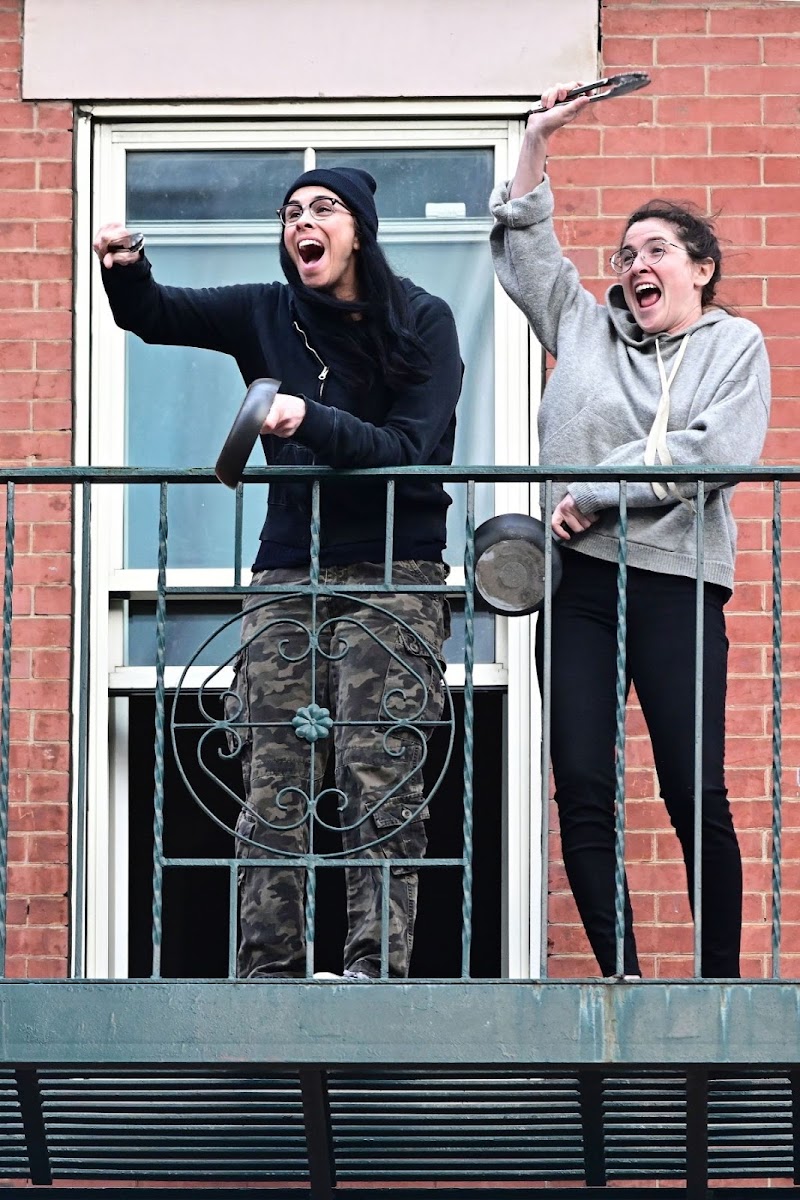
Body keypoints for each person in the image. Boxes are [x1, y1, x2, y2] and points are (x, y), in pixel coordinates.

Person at [94, 166, 462, 980]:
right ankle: (269, 970)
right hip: (288, 568)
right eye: (291, 211)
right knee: (274, 770)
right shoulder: (268, 309)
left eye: (324, 209)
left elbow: (408, 447)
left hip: (394, 564)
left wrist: (308, 418)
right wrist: (126, 268)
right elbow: (157, 317)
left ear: (358, 229)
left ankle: (376, 969)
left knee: (379, 764)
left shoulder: (423, 322)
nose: (305, 221)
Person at [490, 84, 771, 978]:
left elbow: (713, 453)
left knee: (696, 791)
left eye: (656, 250)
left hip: (676, 580)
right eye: (624, 254)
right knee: (581, 786)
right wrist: (535, 139)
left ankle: (718, 986)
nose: (633, 265)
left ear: (701, 270)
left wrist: (597, 490)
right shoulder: (586, 326)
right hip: (575, 585)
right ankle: (622, 979)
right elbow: (529, 249)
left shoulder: (736, 346)